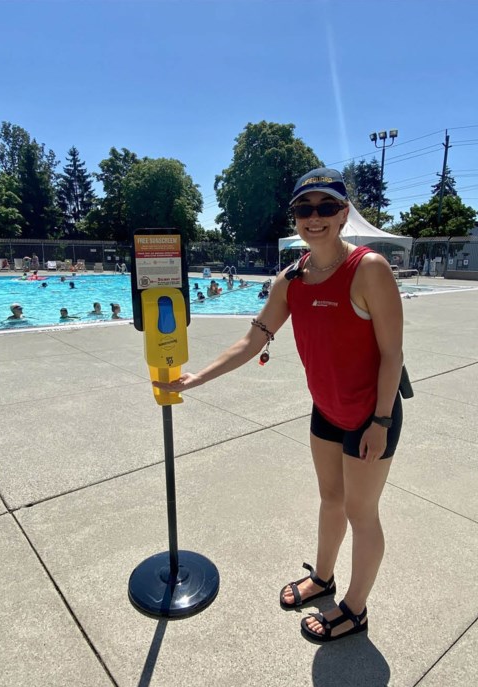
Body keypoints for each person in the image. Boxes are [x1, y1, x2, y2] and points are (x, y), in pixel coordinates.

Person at [152, 167, 405, 645]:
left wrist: (382, 420)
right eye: (304, 209)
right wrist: (197, 377)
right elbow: (254, 339)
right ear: (295, 217)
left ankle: (354, 608)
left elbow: (393, 353)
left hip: (373, 415)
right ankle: (324, 578)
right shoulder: (291, 280)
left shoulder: (369, 269)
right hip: (326, 410)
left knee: (361, 512)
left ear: (343, 213)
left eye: (326, 207)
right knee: (330, 499)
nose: (315, 217)